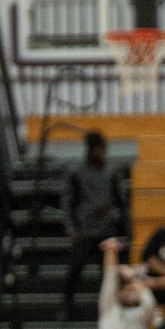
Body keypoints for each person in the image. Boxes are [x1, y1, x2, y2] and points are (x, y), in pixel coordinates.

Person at [62, 131, 130, 314]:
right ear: (90, 151)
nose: (103, 154)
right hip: (84, 231)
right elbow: (68, 202)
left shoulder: (112, 170)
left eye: (104, 150)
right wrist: (71, 228)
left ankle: (109, 308)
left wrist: (126, 230)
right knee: (74, 270)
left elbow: (121, 201)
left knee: (108, 274)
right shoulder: (76, 171)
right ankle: (66, 306)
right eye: (99, 150)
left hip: (106, 229)